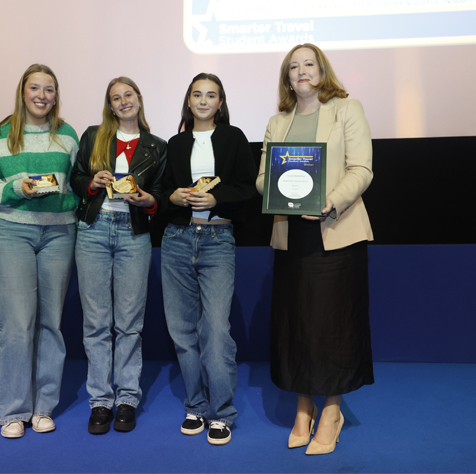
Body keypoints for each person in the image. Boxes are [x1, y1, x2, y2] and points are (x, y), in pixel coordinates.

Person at [256, 43, 375, 455]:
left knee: (333, 326)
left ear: (322, 71)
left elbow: (361, 168)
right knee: (297, 324)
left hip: (335, 229)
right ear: (287, 78)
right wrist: (274, 187)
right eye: (294, 67)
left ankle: (331, 411)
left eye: (309, 64)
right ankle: (302, 407)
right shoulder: (277, 121)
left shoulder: (346, 108)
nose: (301, 71)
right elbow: (260, 178)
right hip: (292, 236)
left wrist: (331, 201)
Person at [0, 64, 80, 439]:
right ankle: (13, 411)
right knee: (17, 324)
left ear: (56, 95)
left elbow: (77, 186)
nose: (42, 95)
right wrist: (17, 189)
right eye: (35, 88)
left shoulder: (67, 135)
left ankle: (44, 408)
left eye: (49, 89)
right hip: (11, 233)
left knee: (50, 322)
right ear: (22, 92)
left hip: (59, 234)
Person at [161, 73, 257, 446]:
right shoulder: (175, 142)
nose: (203, 100)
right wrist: (175, 198)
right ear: (188, 101)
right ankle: (195, 405)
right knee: (182, 331)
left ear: (221, 102)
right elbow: (163, 188)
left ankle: (222, 413)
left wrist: (217, 200)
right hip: (177, 240)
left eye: (211, 95)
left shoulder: (233, 138)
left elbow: (247, 187)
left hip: (218, 239)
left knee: (215, 329)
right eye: (197, 94)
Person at [70, 77, 167, 435]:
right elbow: (76, 178)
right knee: (96, 322)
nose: (124, 102)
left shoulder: (157, 146)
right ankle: (100, 401)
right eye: (116, 98)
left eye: (129, 95)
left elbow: (160, 193)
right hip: (94, 230)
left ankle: (127, 398)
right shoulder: (93, 136)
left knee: (129, 322)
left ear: (140, 99)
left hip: (134, 234)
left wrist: (149, 201)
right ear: (109, 106)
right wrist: (93, 182)